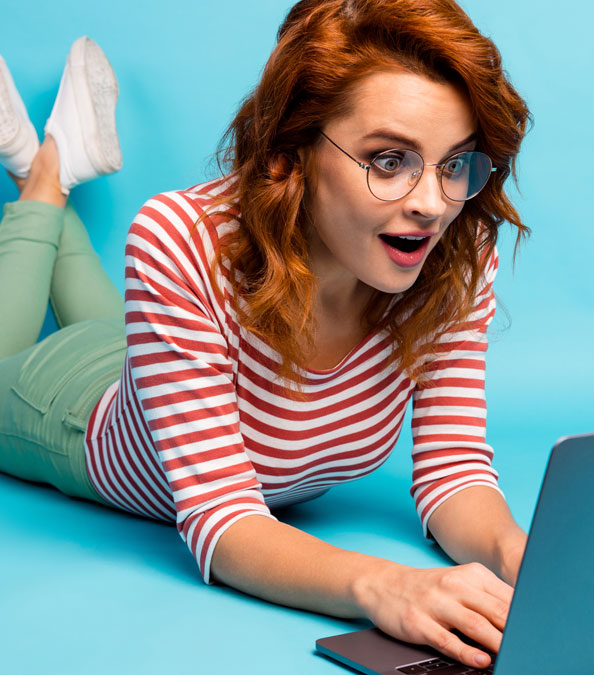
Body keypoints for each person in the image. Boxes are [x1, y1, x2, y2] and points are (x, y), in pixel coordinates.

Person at [0, 1, 532, 670]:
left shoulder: (454, 249)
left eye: (454, 164)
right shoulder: (180, 240)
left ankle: (41, 169)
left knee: (117, 324)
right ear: (286, 153)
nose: (432, 203)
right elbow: (223, 522)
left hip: (170, 358)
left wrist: (524, 556)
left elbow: (453, 467)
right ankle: (44, 176)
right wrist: (389, 584)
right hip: (68, 409)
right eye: (389, 160)